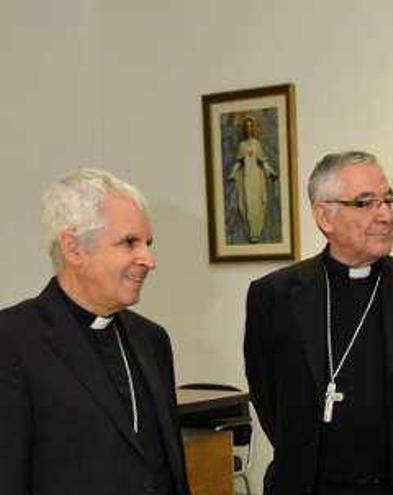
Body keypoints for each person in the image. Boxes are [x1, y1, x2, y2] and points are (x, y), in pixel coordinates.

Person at [244, 150, 393, 495]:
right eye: (367, 203)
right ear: (325, 216)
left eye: (389, 200)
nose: (386, 215)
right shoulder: (274, 296)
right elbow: (267, 396)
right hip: (306, 484)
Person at [0, 168, 190, 495]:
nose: (149, 259)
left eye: (147, 243)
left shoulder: (152, 339)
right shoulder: (12, 340)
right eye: (130, 243)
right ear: (74, 248)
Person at [227, 115, 277, 243]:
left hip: (256, 178)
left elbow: (262, 160)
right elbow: (239, 161)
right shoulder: (242, 145)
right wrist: (233, 173)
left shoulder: (257, 144)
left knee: (257, 204)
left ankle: (256, 232)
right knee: (247, 204)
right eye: (246, 127)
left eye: (251, 126)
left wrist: (269, 171)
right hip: (246, 178)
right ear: (244, 129)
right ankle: (251, 233)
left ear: (253, 128)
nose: (249, 129)